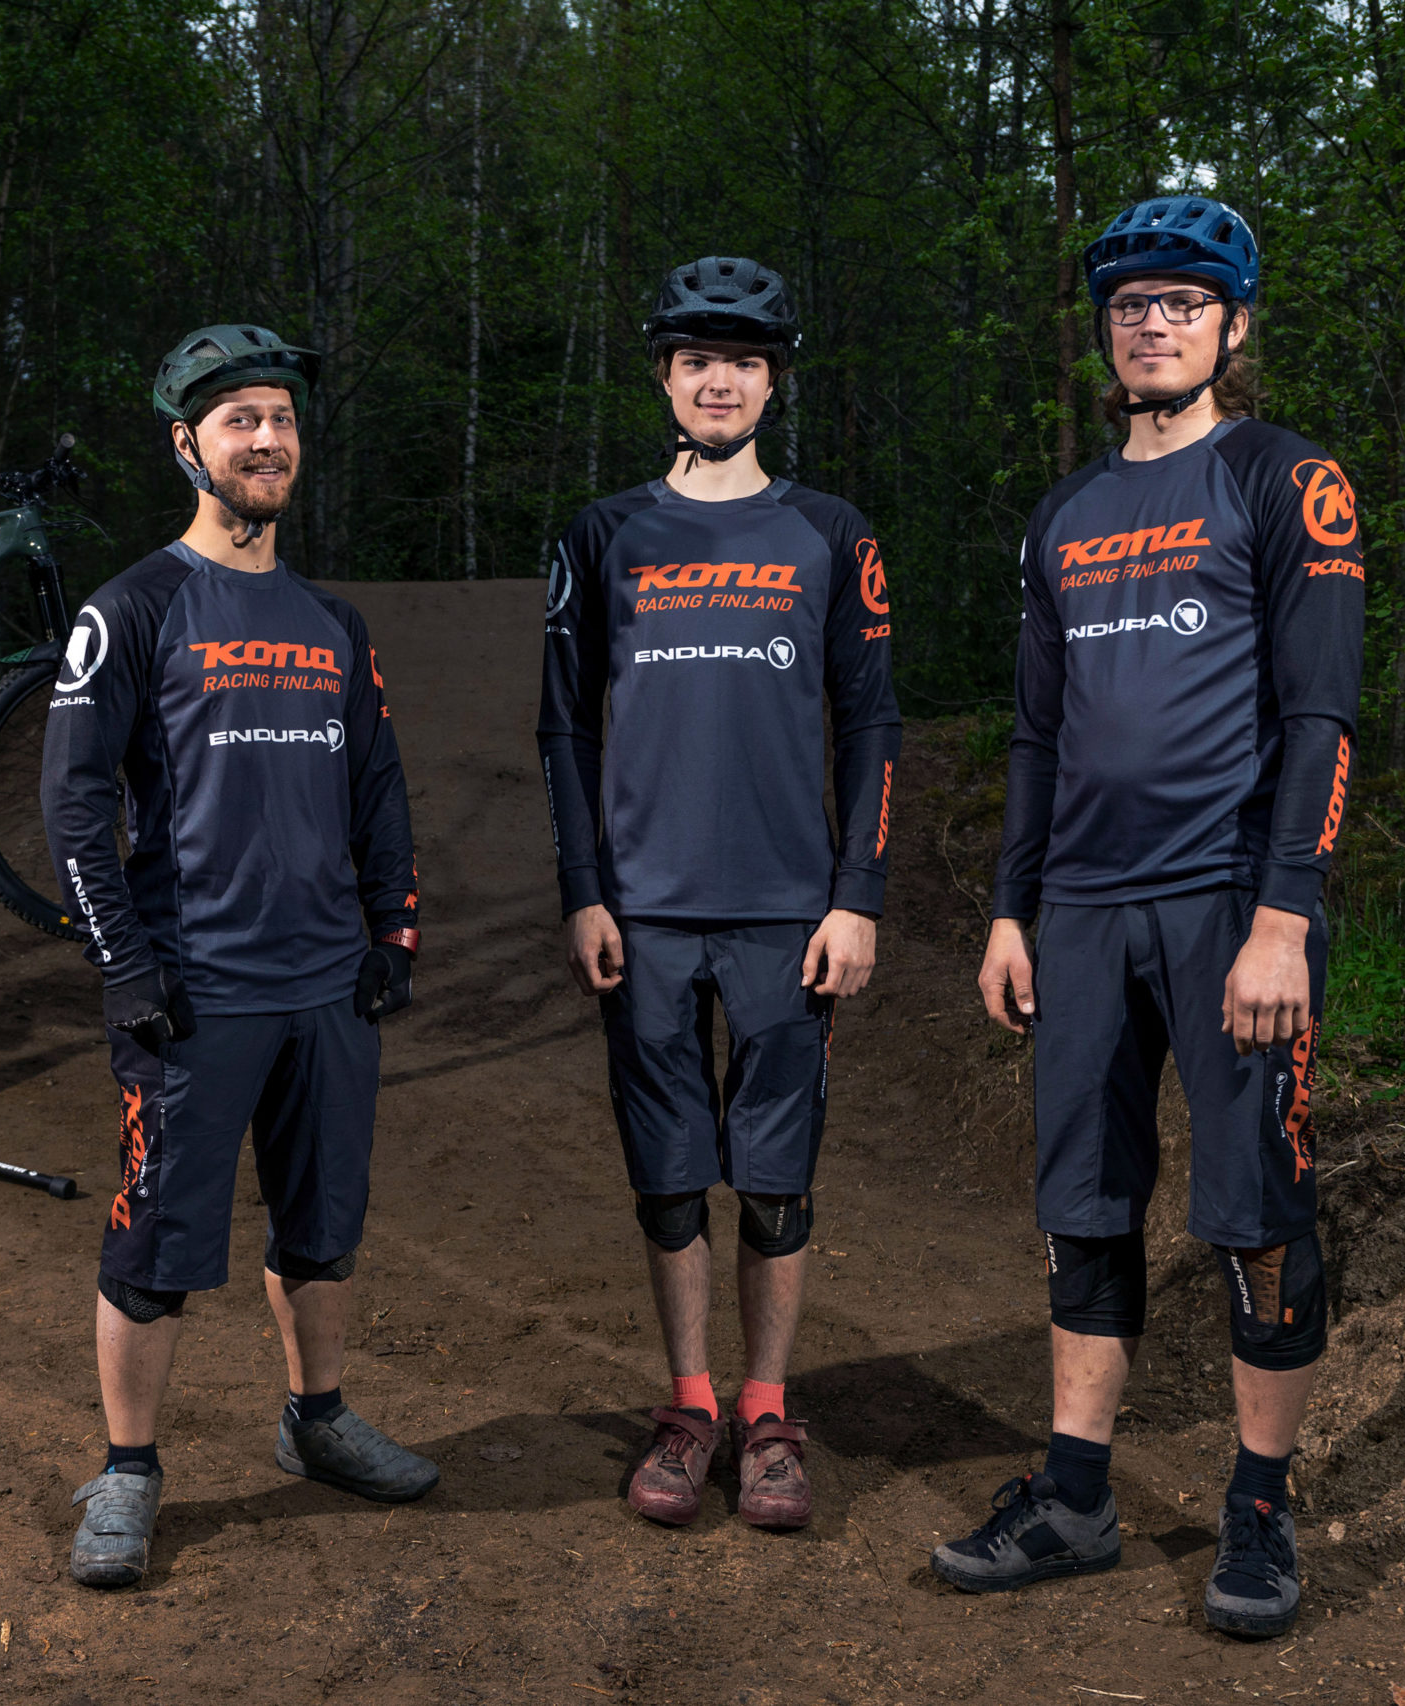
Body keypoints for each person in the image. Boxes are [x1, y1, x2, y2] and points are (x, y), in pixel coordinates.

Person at [928, 197, 1366, 1640]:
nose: (1152, 323)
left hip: (1230, 906)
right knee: (1083, 1205)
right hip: (1081, 909)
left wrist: (1285, 913)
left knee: (1254, 1215)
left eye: (1182, 301)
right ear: (1103, 334)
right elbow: (1037, 736)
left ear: (1232, 325)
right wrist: (1010, 908)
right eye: (1129, 305)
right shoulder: (1063, 513)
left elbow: (1321, 714)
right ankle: (1073, 1495)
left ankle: (1259, 1506)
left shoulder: (1285, 477)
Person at [44, 323, 437, 1590]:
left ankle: (317, 1419)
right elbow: (72, 805)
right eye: (239, 421)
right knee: (153, 1244)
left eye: (281, 419)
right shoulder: (132, 608)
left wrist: (393, 931)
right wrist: (124, 961)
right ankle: (128, 1469)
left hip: (326, 986)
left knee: (322, 1229)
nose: (267, 439)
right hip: (193, 991)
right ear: (187, 444)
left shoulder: (332, 620)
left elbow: (378, 790)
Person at [538, 256, 901, 1532]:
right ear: (663, 374)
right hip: (640, 911)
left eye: (743, 360)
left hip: (787, 911)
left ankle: (767, 1411)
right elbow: (564, 728)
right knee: (668, 1173)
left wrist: (856, 894)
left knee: (777, 1177)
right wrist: (583, 888)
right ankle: (689, 1405)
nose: (719, 380)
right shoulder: (602, 534)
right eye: (697, 358)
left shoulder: (831, 533)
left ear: (773, 381)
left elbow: (870, 724)